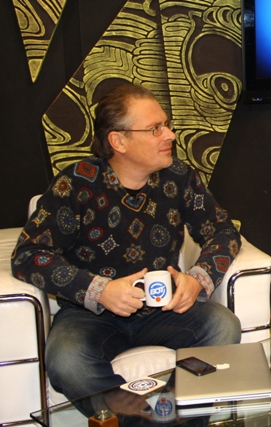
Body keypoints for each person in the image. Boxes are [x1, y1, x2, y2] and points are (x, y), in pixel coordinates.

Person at [11, 83, 242, 401]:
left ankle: (170, 413)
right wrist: (99, 290)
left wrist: (197, 279)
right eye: (155, 129)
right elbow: (28, 255)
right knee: (68, 362)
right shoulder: (76, 183)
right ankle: (139, 418)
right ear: (118, 141)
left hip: (164, 307)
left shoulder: (179, 177)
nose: (170, 135)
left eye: (167, 125)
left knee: (223, 326)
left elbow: (223, 231)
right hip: (88, 315)